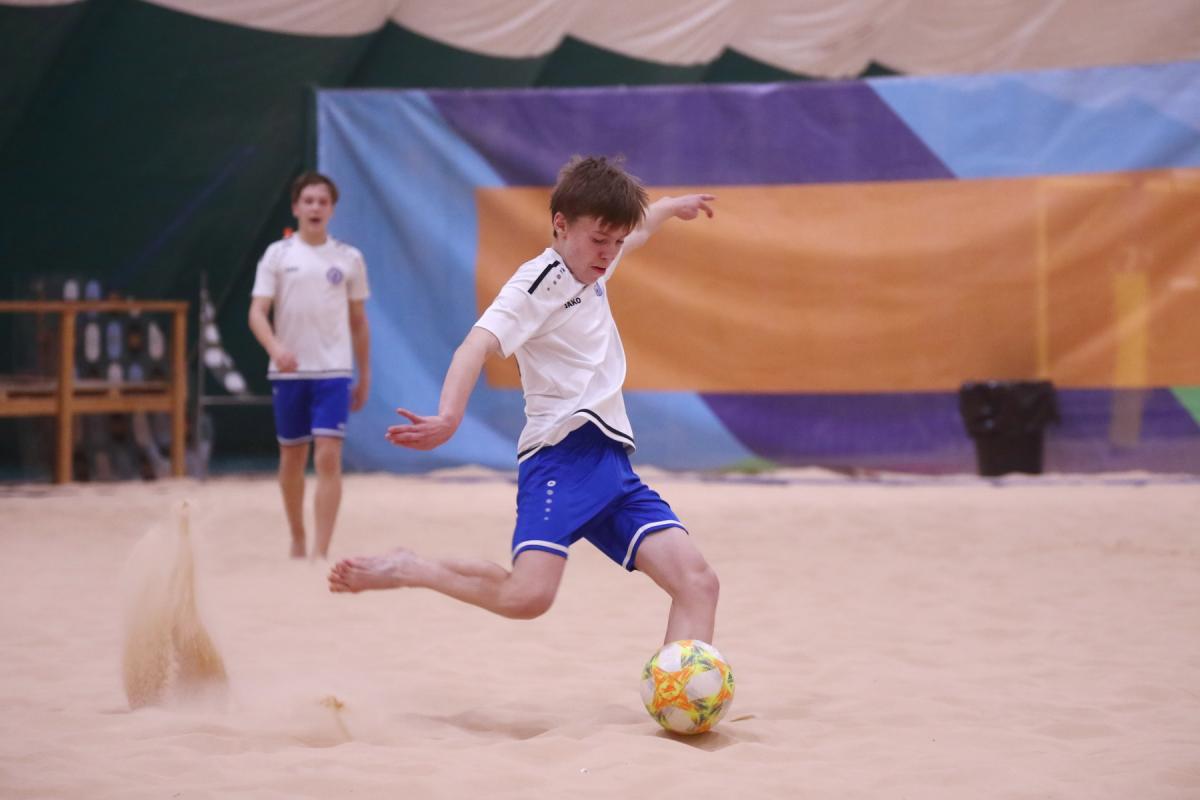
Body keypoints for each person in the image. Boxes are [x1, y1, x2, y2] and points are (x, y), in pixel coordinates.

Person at [328, 156, 718, 646]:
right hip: (560, 457)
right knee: (528, 596)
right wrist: (449, 416)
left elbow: (637, 231)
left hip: (611, 464)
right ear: (561, 224)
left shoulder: (592, 264)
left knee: (699, 584)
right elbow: (474, 345)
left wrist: (671, 206)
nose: (609, 253)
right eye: (600, 240)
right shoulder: (536, 284)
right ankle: (410, 567)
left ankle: (681, 691)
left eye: (615, 243)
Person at [249, 172, 371, 559]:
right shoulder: (277, 255)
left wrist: (364, 375)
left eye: (323, 201)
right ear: (296, 208)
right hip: (290, 373)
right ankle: (298, 536)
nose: (315, 207)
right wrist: (275, 348)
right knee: (292, 457)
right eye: (309, 201)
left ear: (332, 209)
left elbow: (359, 322)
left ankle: (321, 550)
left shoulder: (349, 258)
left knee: (328, 455)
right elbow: (257, 312)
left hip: (333, 372)